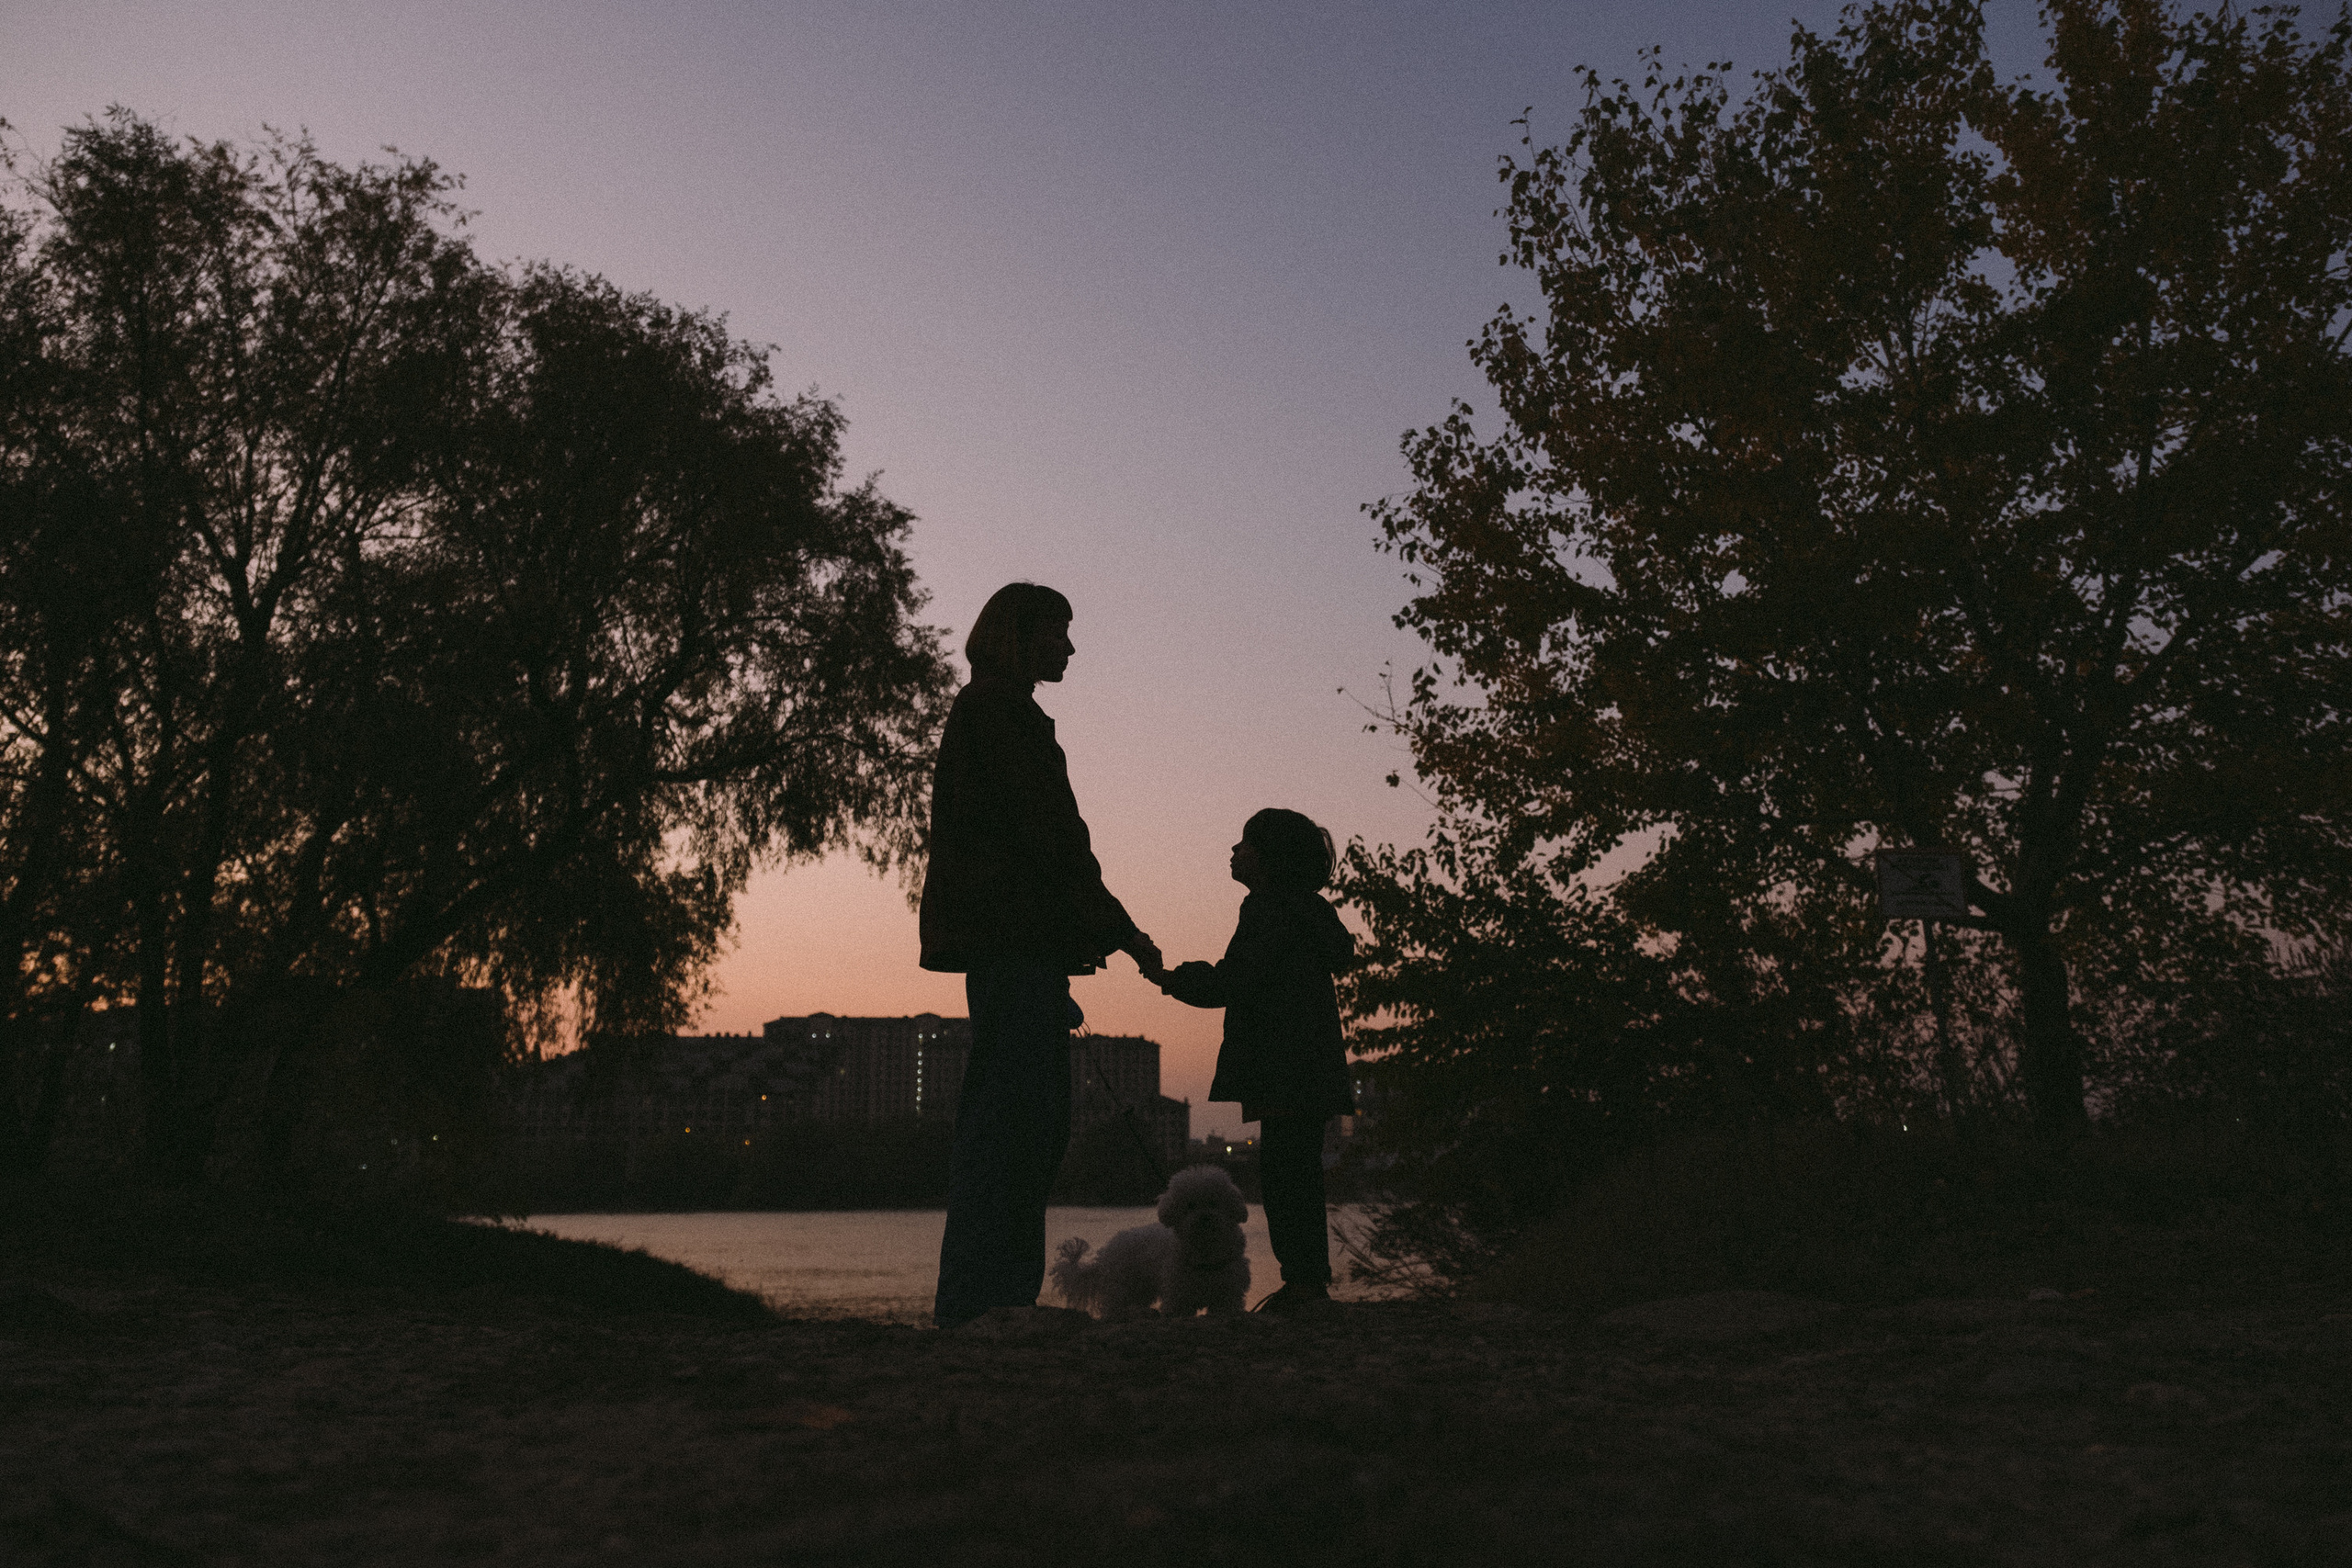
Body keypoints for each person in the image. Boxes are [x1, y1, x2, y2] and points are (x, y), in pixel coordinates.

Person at [921, 581, 1162, 1328]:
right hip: (1014, 943)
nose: (1070, 647)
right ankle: (989, 1301)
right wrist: (1124, 933)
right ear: (1018, 636)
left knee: (1016, 1118)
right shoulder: (1001, 714)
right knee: (1018, 1123)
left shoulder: (990, 711)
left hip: (1016, 946)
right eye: (1057, 632)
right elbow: (1053, 840)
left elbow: (1046, 842)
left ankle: (991, 1296)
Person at [1152, 808, 1355, 1313]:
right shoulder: (1311, 910)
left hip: (1280, 1062)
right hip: (1312, 1062)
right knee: (1300, 1171)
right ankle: (1308, 1281)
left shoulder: (1266, 910)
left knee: (1285, 1177)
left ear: (1270, 858)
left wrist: (1174, 979)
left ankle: (1303, 1286)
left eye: (1244, 843)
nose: (1233, 851)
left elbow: (1235, 980)